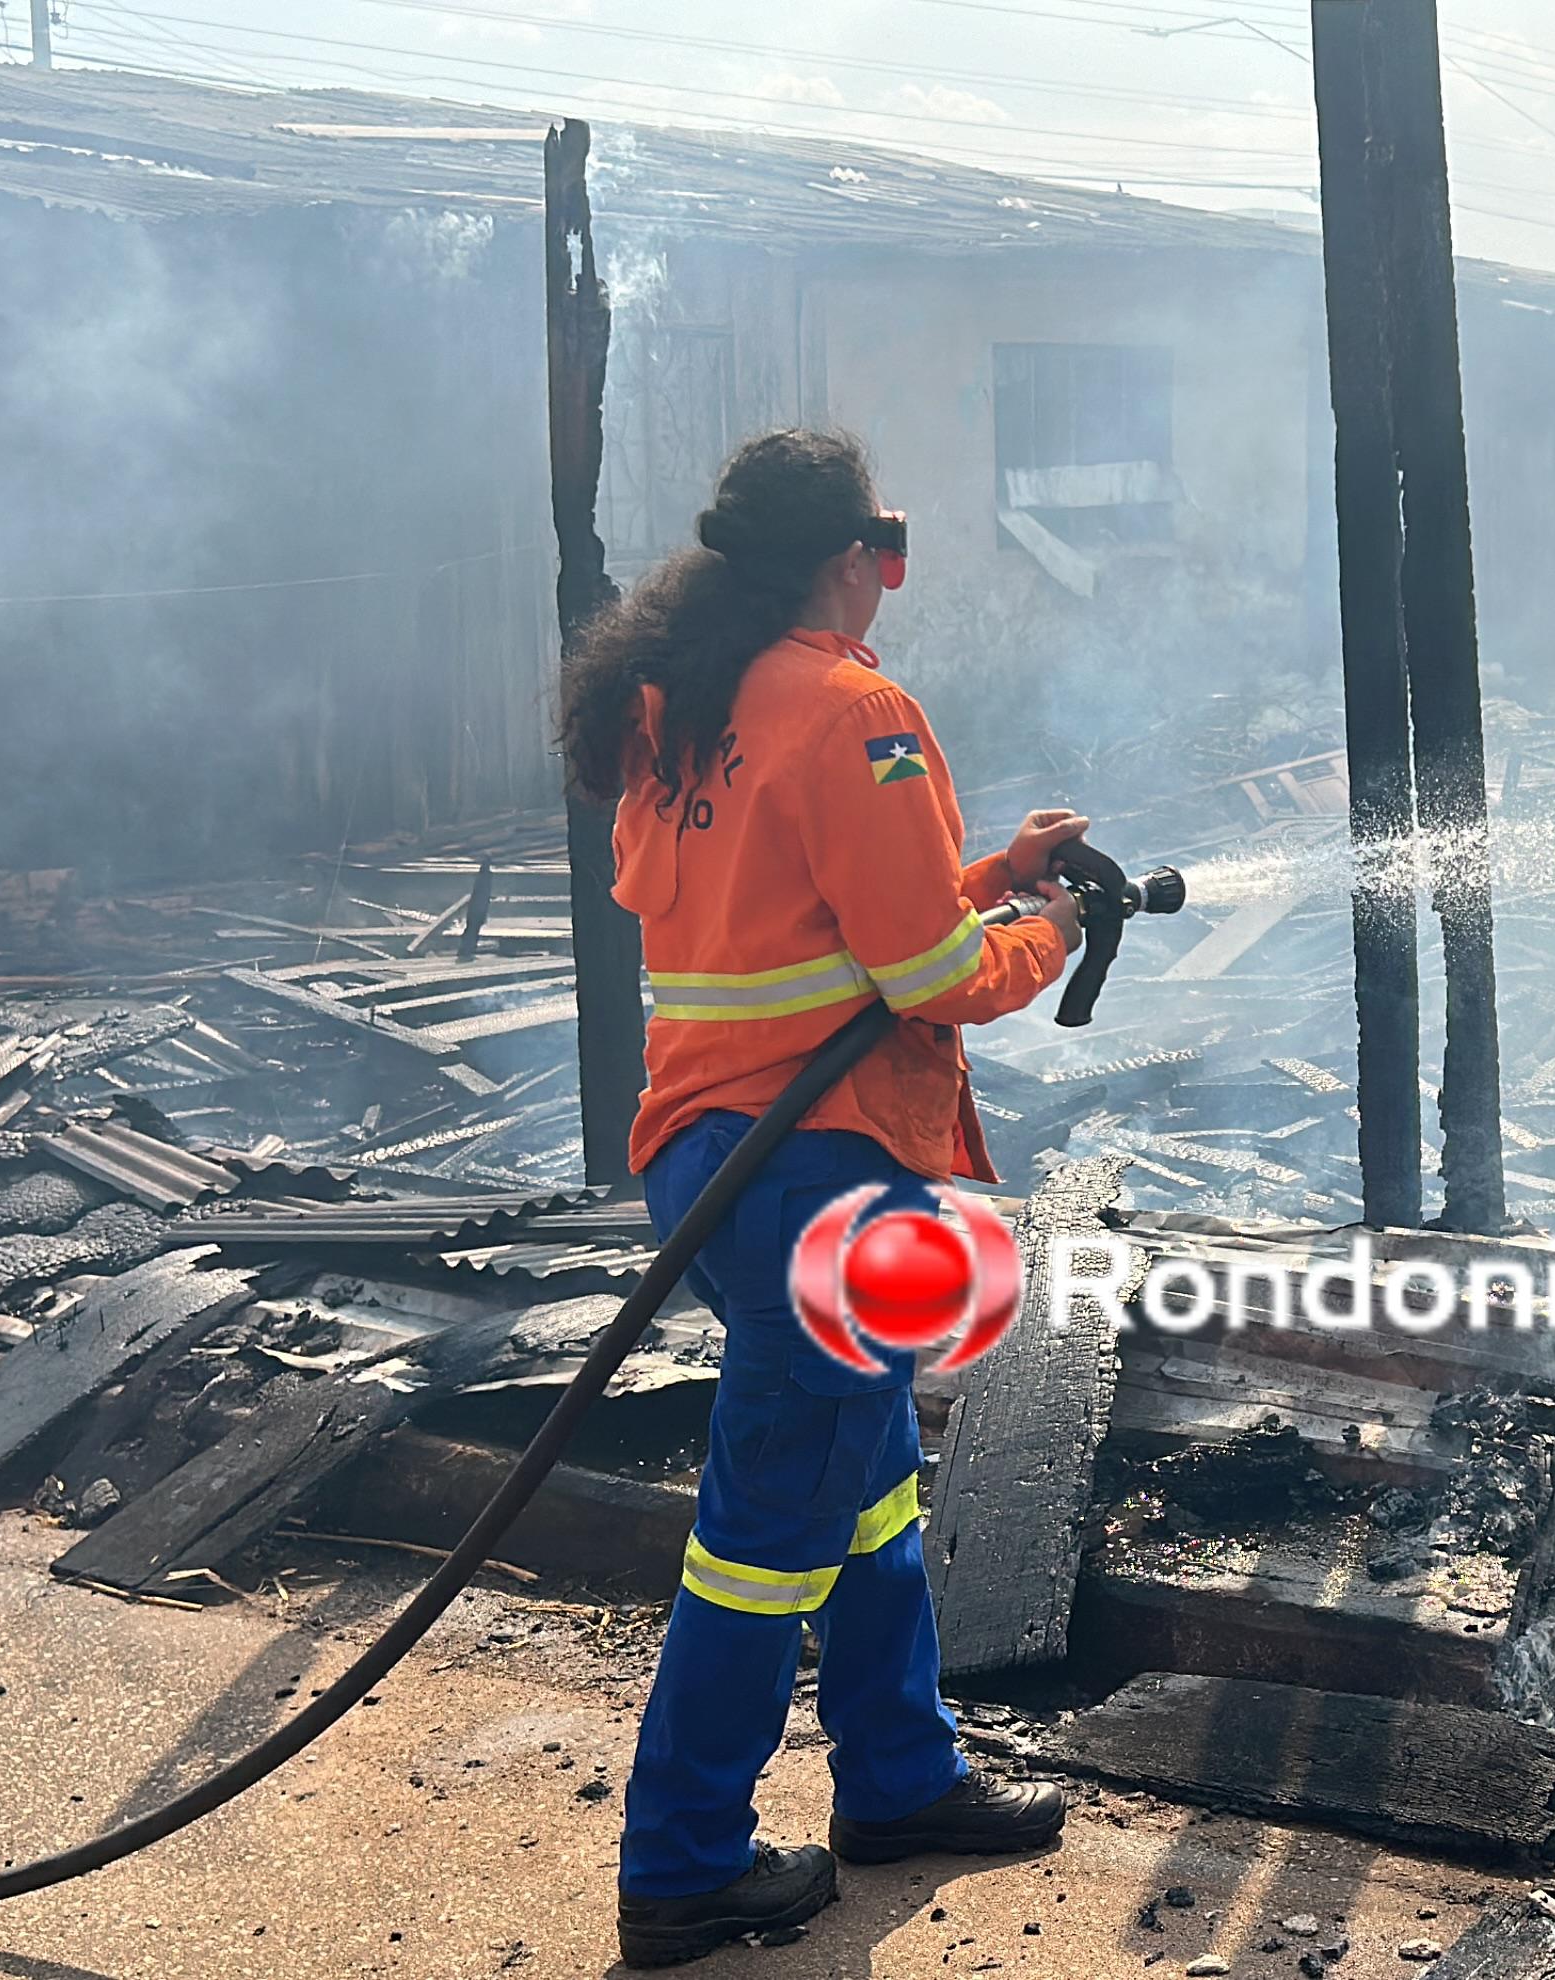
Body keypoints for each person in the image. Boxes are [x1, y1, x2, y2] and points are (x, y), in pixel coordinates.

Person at [558, 427, 1085, 1969]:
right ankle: (681, 1865)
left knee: (868, 1486)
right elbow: (927, 976)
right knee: (764, 1531)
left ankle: (901, 1778)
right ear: (854, 557)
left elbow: (818, 923)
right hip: (816, 1172)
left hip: (707, 1158)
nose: (886, 582)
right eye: (886, 556)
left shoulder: (686, 697)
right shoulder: (857, 713)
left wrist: (994, 872)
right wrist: (1044, 938)